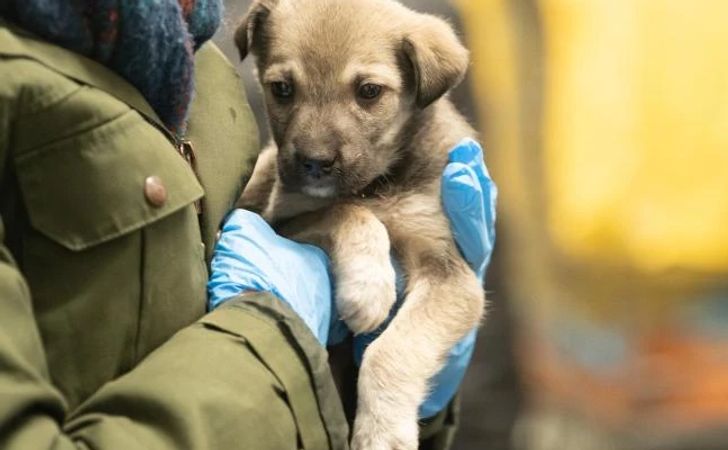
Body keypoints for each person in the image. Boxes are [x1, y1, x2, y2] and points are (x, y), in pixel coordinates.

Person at [0, 1, 496, 449]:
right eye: (283, 90)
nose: (316, 147)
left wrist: (415, 404)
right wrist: (273, 329)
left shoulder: (196, 45)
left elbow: (451, 298)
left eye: (367, 94)